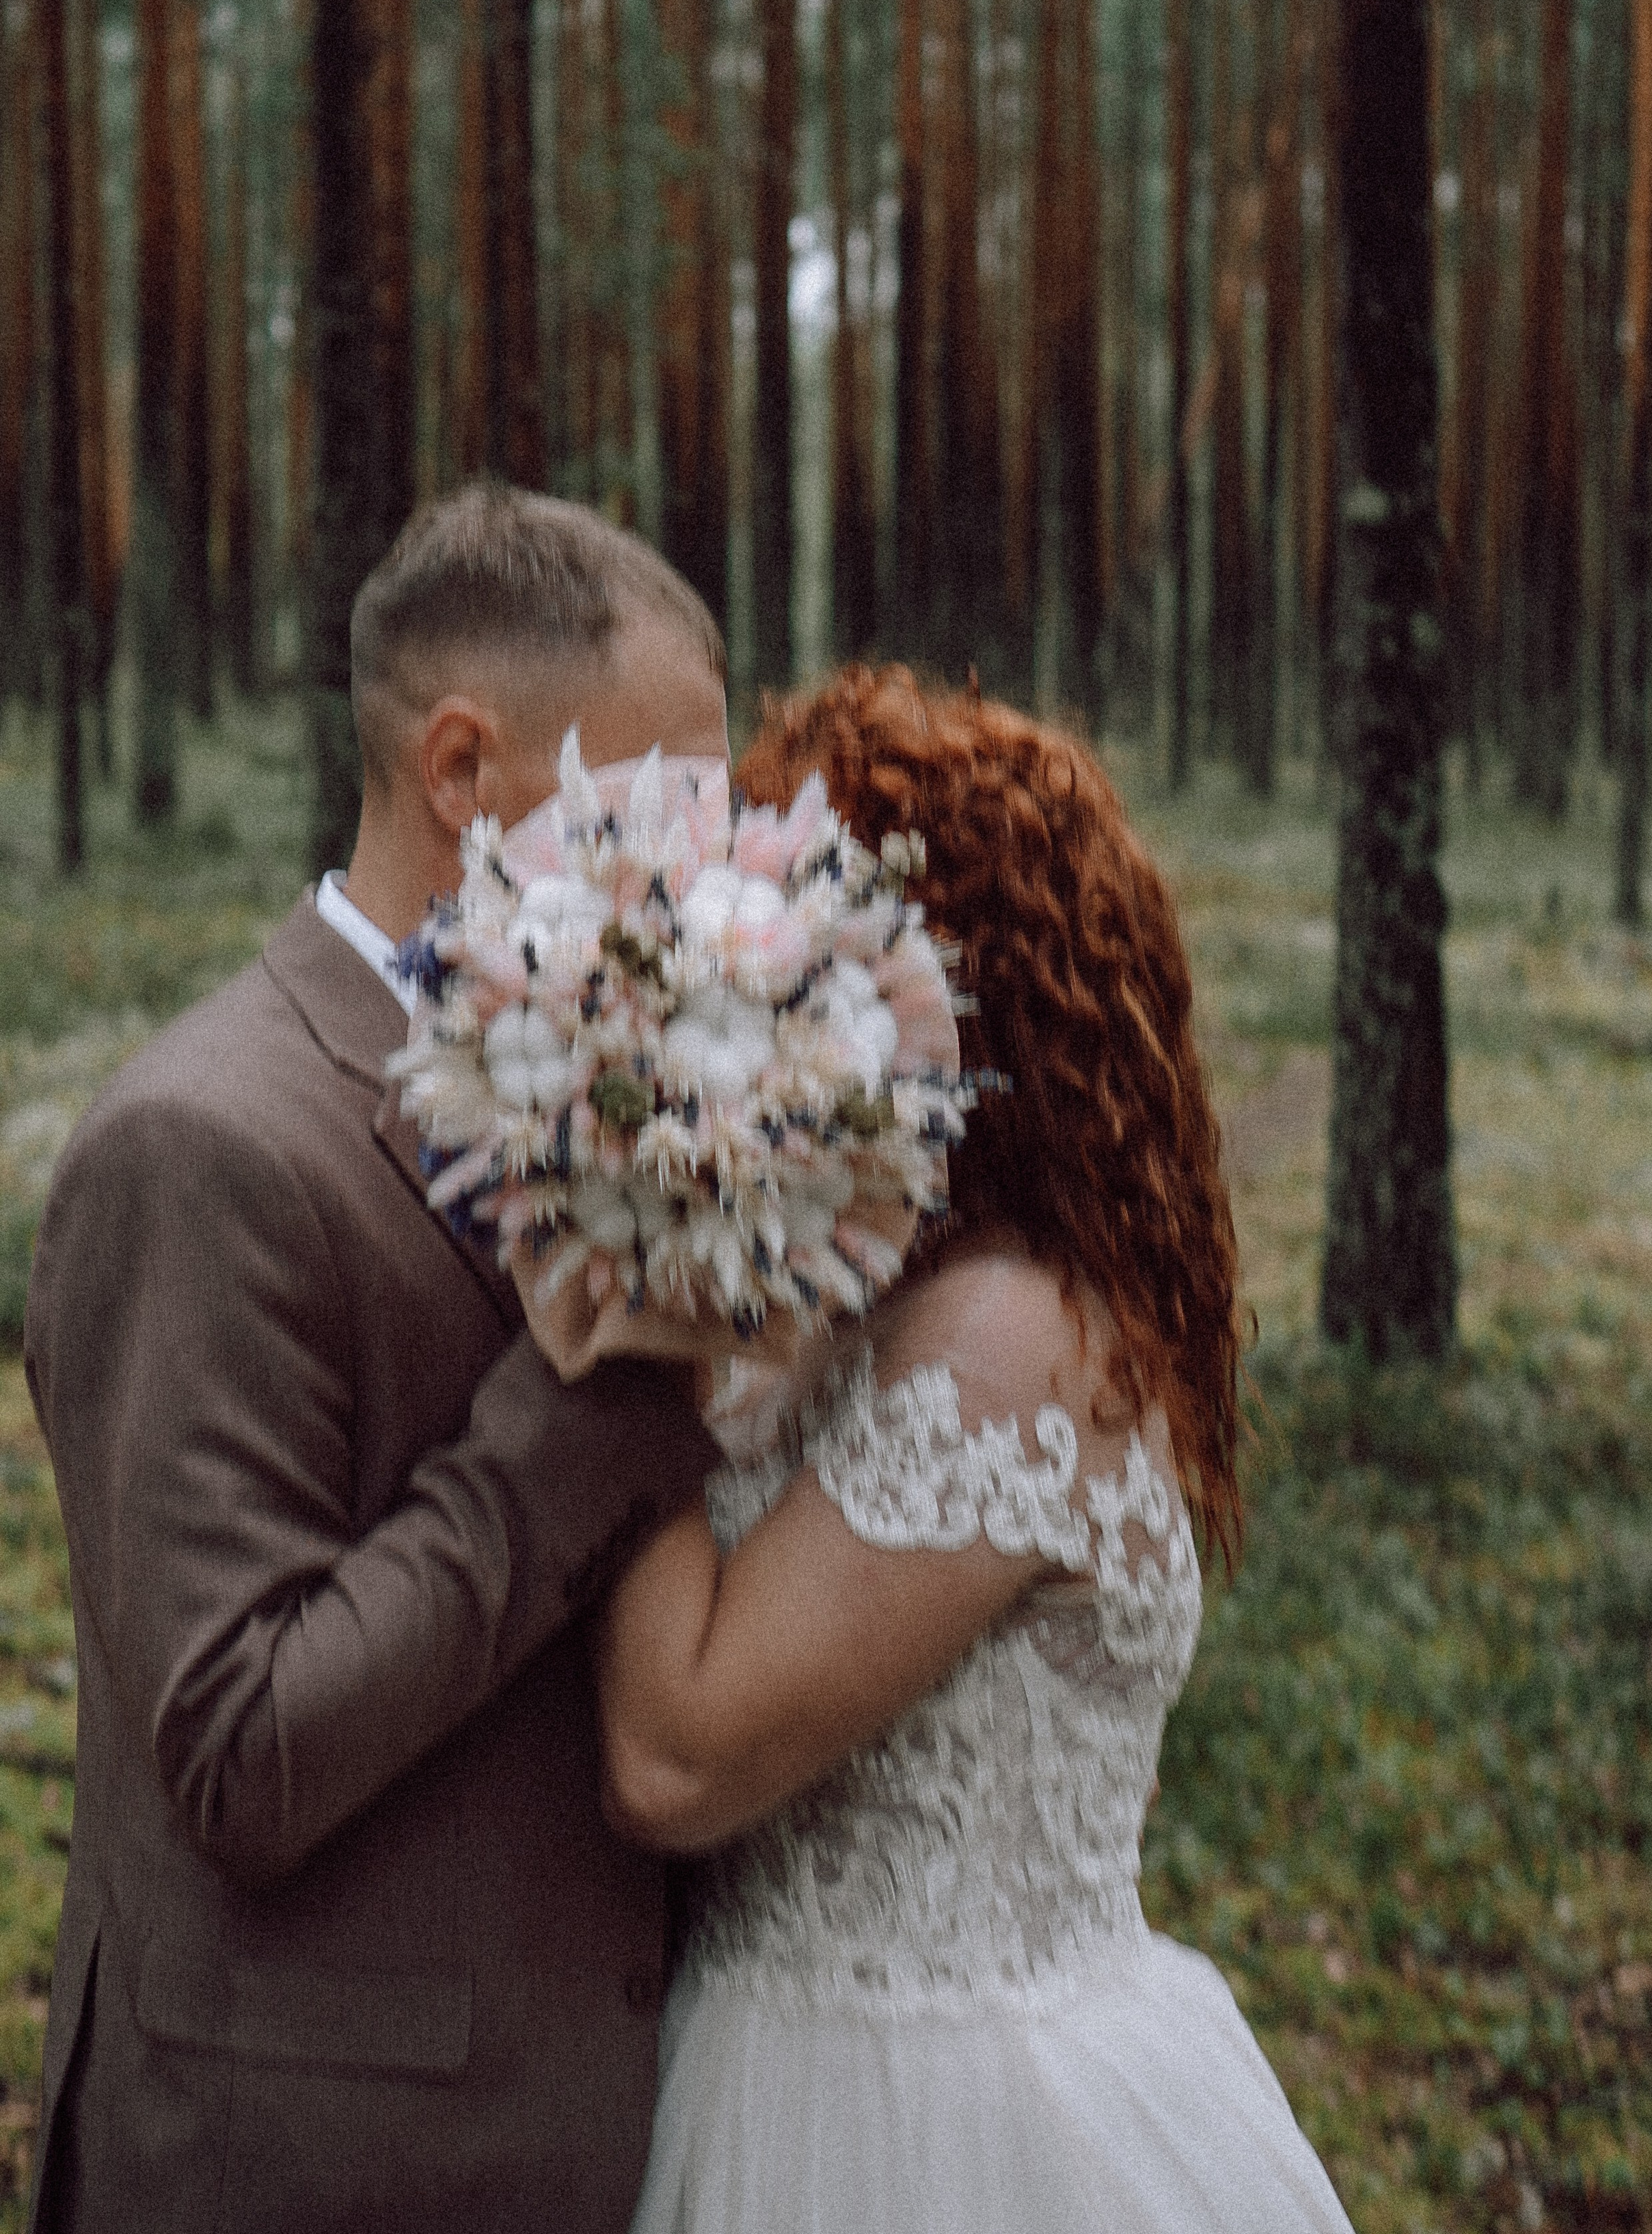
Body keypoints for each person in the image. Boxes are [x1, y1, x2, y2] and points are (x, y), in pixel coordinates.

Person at [524, 662, 1356, 2234]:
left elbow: (674, 1754)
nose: (752, 965)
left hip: (932, 2127)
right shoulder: (876, 1291)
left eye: (798, 927)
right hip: (770, 2055)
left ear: (945, 978)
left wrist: (625, 1314)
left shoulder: (1011, 1343)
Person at [23, 485, 731, 2234]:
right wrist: (598, 1408)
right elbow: (241, 1754)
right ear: (465, 771)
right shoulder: (200, 1146)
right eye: (660, 817)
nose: (704, 884)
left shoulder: (610, 1089)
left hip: (588, 2134)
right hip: (305, 2171)